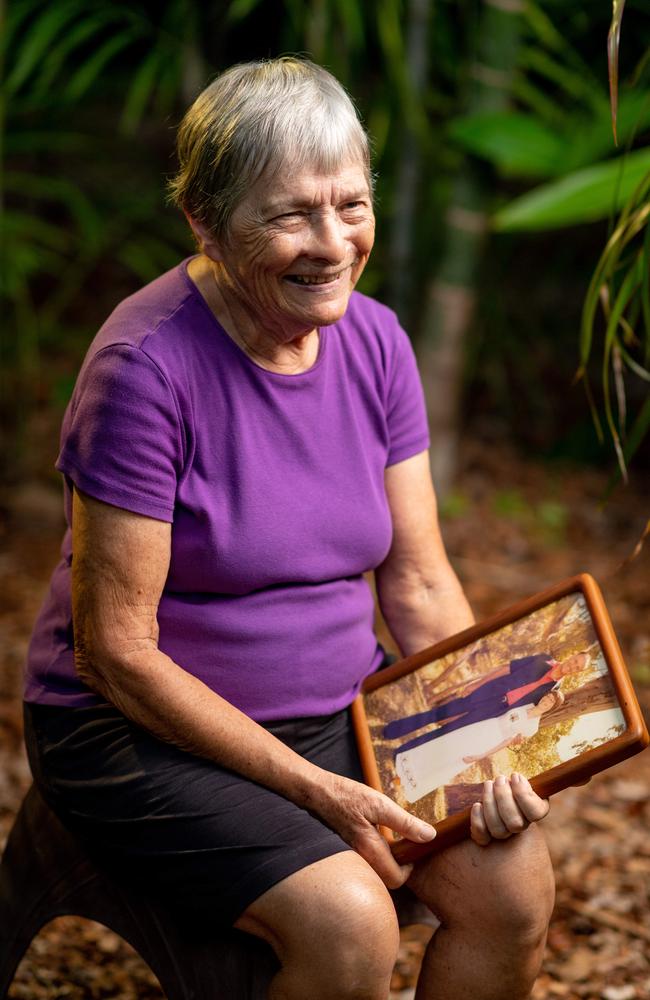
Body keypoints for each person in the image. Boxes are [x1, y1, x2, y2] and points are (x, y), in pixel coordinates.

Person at [23, 58, 555, 1000]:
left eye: (350, 205)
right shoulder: (144, 369)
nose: (333, 242)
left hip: (342, 717)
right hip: (137, 736)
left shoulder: (379, 341)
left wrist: (491, 746)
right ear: (205, 222)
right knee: (352, 924)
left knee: (514, 890)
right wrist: (323, 795)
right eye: (290, 215)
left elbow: (421, 586)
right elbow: (117, 654)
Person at [384, 650, 589, 749]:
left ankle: (404, 751)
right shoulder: (543, 659)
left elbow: (530, 712)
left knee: (452, 729)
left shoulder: (554, 691)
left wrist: (518, 733)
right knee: (438, 713)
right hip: (486, 692)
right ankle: (395, 730)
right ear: (572, 656)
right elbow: (505, 669)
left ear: (577, 672)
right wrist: (478, 684)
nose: (573, 666)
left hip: (496, 711)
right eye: (575, 661)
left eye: (578, 668)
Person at [396, 690, 565, 804]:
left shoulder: (532, 727)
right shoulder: (525, 705)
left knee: (452, 760)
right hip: (481, 727)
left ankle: (413, 782)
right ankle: (404, 771)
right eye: (548, 697)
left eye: (551, 701)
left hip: (488, 741)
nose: (547, 701)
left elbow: (506, 742)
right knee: (443, 746)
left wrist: (481, 755)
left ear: (552, 707)